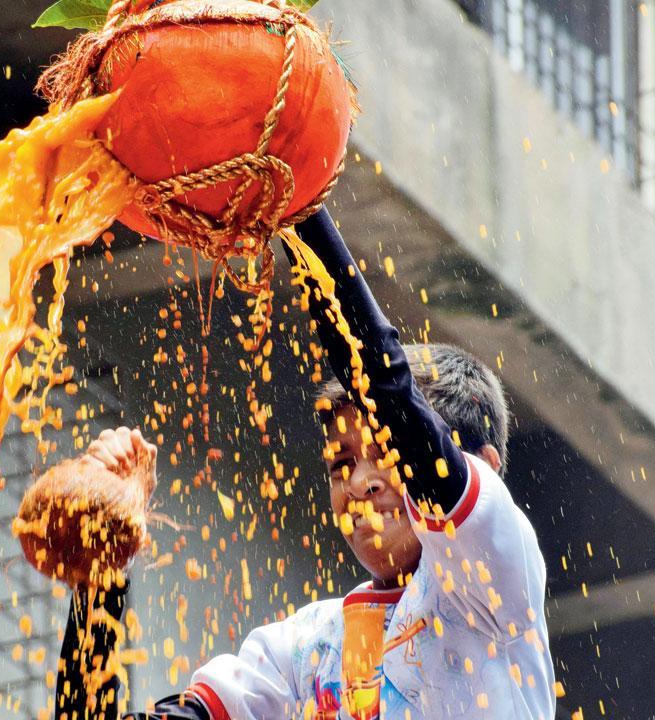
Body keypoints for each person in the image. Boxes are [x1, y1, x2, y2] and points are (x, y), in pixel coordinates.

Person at [53, 208, 554, 719]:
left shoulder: (491, 581)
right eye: (341, 464)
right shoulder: (304, 650)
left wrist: (300, 210)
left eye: (386, 450)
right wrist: (101, 566)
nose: (358, 483)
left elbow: (383, 383)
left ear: (483, 466)